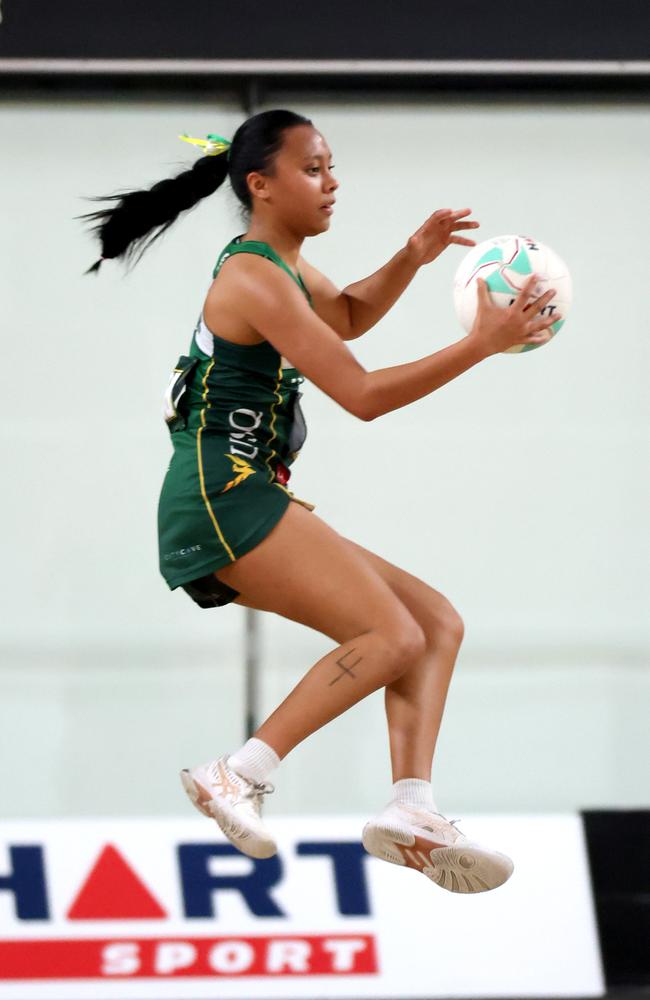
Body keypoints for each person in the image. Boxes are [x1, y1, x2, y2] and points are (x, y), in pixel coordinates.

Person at [82, 108, 559, 894]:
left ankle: (412, 807)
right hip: (218, 495)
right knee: (390, 633)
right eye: (313, 169)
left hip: (244, 490)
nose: (332, 183)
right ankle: (237, 773)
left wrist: (412, 256)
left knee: (435, 622)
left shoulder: (284, 269)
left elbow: (347, 317)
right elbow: (363, 396)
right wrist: (481, 343)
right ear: (260, 186)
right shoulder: (252, 277)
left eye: (332, 166)